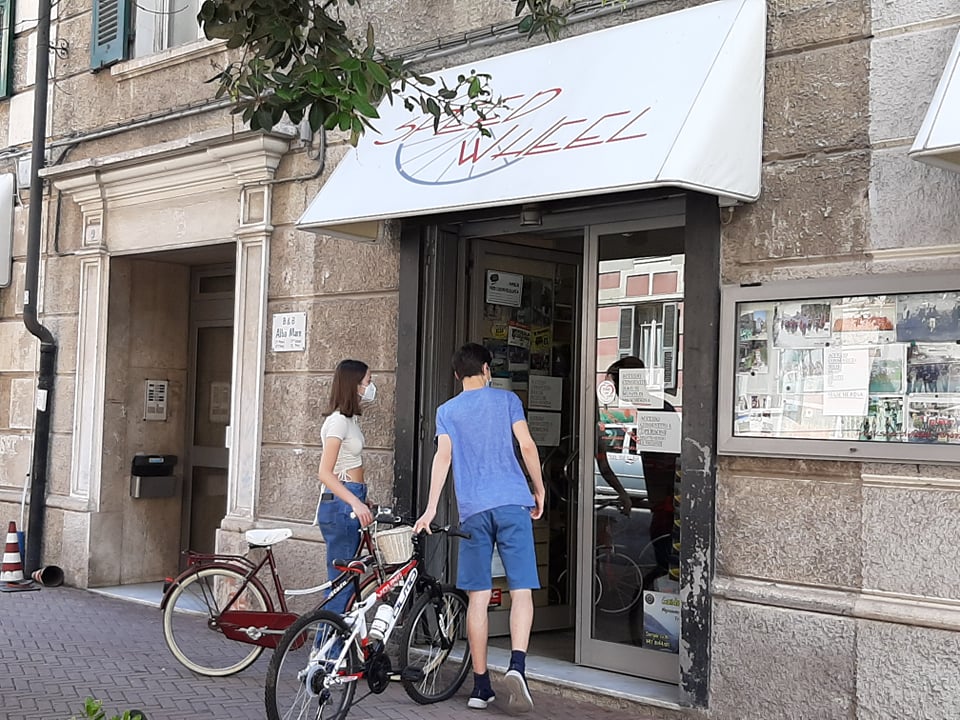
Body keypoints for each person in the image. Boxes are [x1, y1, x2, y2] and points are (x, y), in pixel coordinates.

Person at [413, 343, 545, 714]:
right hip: (512, 503)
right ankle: (517, 666)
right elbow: (527, 445)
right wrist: (538, 489)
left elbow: (443, 457)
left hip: (473, 510)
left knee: (478, 597)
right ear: (487, 369)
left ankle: (481, 685)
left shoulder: (447, 411)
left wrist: (430, 509)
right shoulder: (507, 401)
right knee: (521, 590)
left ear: (457, 375)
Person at [316, 359, 376, 615]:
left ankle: (334, 637)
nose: (370, 387)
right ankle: (327, 639)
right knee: (342, 584)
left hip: (349, 499)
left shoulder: (349, 420)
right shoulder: (338, 421)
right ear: (355, 385)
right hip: (342, 504)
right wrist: (355, 502)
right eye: (368, 381)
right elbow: (324, 473)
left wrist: (361, 499)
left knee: (347, 581)